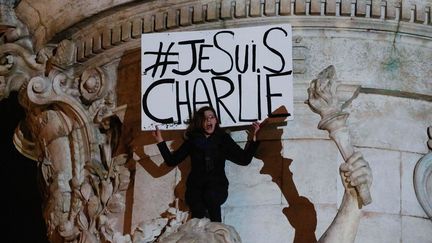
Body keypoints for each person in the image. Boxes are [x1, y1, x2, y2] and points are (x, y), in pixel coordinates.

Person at [152, 106, 261, 222]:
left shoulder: (222, 139)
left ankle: (217, 231)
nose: (209, 120)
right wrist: (160, 141)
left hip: (216, 188)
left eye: (211, 117)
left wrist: (254, 137)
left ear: (216, 121)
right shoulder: (193, 141)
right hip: (196, 189)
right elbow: (171, 161)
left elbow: (244, 159)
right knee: (197, 214)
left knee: (211, 196)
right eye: (205, 119)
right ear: (200, 123)